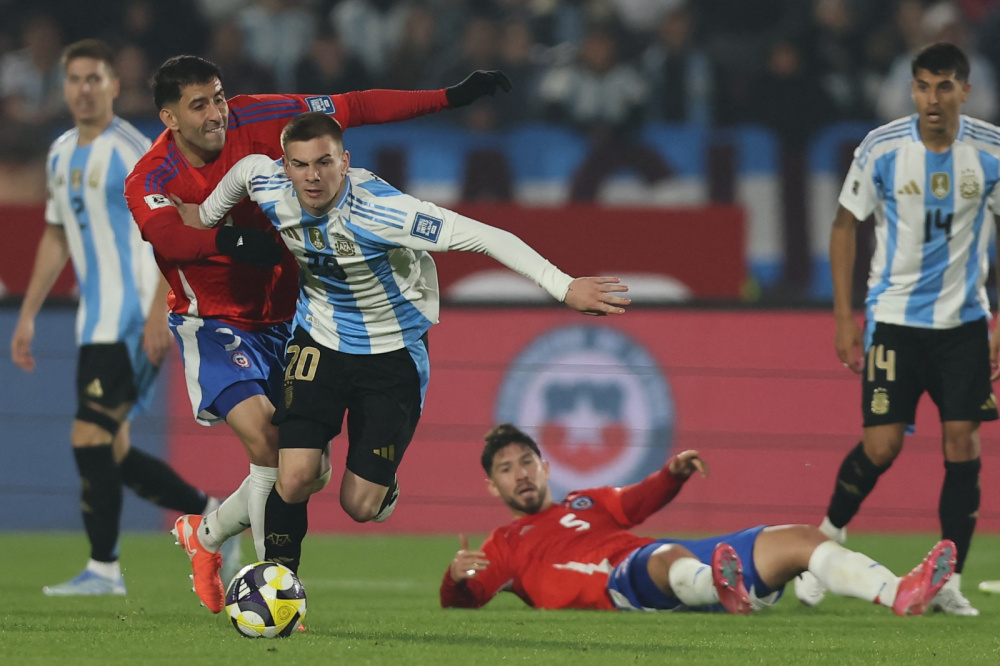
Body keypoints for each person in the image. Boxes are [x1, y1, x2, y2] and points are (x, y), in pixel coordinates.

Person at [123, 55, 511, 613]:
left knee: (308, 471)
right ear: (169, 117)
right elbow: (170, 238)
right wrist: (232, 245)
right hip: (214, 322)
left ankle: (205, 535)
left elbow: (355, 107)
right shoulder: (150, 176)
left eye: (218, 96)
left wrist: (448, 97)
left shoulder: (262, 118)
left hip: (295, 320)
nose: (216, 113)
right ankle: (273, 595)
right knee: (268, 443)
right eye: (199, 105)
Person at [173, 111, 632, 577]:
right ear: (285, 165)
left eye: (324, 162)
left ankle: (380, 487)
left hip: (391, 355)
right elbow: (242, 176)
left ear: (344, 162)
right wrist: (206, 216)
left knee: (360, 505)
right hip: (319, 340)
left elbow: (486, 236)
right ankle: (281, 587)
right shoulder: (265, 179)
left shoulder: (386, 212)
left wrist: (563, 285)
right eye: (300, 164)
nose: (313, 177)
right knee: (292, 478)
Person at [9, 39, 227, 597]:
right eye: (74, 79)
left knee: (90, 438)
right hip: (94, 323)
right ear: (64, 87)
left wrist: (160, 308)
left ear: (112, 85)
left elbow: (171, 225)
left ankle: (104, 571)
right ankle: (216, 518)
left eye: (94, 78)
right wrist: (29, 314)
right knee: (116, 452)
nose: (84, 89)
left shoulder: (134, 149)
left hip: (134, 318)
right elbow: (58, 236)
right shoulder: (60, 153)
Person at [795, 42, 998, 616]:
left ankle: (948, 577)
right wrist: (843, 316)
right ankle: (824, 544)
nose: (932, 99)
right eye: (923, 87)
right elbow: (843, 225)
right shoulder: (882, 148)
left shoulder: (991, 152)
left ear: (965, 90)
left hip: (963, 323)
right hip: (894, 322)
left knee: (963, 443)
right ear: (911, 90)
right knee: (880, 447)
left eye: (944, 87)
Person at [440, 424, 957, 617]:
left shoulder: (585, 502)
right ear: (493, 487)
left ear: (544, 465)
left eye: (526, 462)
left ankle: (899, 593)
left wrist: (671, 474)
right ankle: (719, 586)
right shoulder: (504, 544)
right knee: (665, 556)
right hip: (620, 583)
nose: (520, 475)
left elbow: (638, 501)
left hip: (661, 559)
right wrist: (456, 579)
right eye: (506, 470)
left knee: (799, 538)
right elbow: (468, 594)